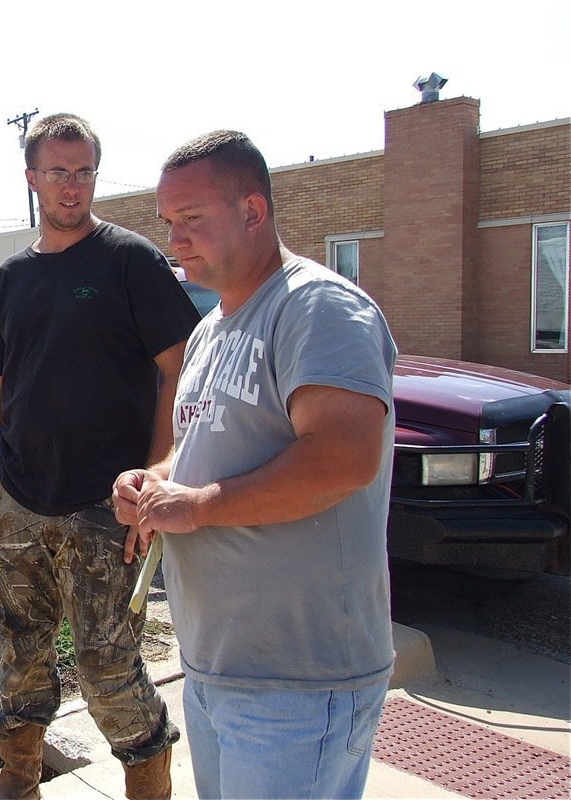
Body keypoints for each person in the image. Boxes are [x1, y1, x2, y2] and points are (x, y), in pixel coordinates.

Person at [112, 130, 397, 799]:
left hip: (299, 681)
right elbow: (206, 444)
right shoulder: (212, 330)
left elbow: (343, 457)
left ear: (253, 211)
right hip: (218, 667)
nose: (174, 240)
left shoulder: (317, 308)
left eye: (192, 220)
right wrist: (157, 482)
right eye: (168, 224)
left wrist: (202, 505)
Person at [0, 112, 201, 800]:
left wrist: (156, 479)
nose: (73, 186)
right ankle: (19, 786)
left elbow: (177, 370)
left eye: (85, 171)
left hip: (106, 507)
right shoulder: (11, 279)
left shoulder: (130, 261)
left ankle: (149, 787)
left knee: (108, 668)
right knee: (20, 658)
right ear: (32, 178)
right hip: (21, 505)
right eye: (59, 172)